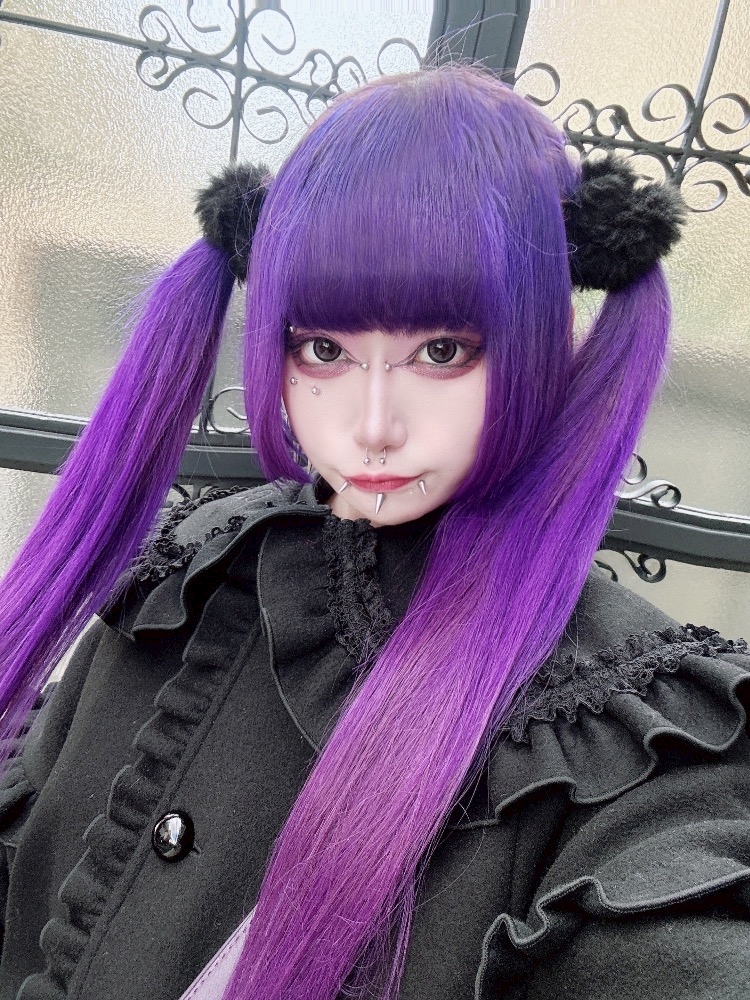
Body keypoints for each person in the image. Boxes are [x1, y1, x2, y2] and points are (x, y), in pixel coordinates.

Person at [0, 63, 749, 1000]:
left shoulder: (626, 735)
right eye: (324, 350)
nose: (373, 425)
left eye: (442, 350)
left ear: (544, 341)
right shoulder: (197, 566)